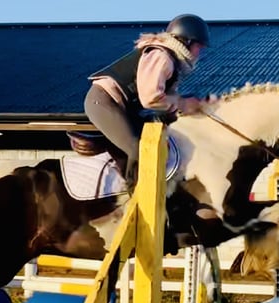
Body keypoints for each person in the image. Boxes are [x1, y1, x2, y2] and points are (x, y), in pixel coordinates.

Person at [84, 14, 211, 186]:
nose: (200, 52)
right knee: (139, 147)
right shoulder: (161, 56)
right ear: (186, 41)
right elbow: (151, 98)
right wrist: (183, 103)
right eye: (199, 46)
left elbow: (168, 102)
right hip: (104, 102)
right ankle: (137, 199)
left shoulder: (173, 63)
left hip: (122, 106)